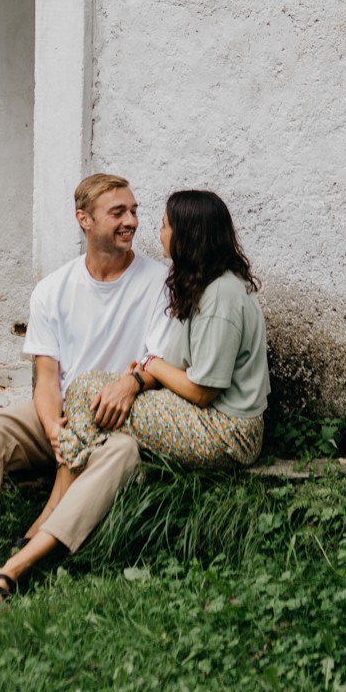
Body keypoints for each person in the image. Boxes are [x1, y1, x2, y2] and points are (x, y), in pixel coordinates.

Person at [0, 172, 167, 610]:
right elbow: (47, 378)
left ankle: (24, 563)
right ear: (84, 220)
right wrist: (55, 430)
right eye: (118, 213)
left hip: (120, 423)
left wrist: (128, 387)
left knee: (125, 454)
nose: (131, 221)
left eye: (134, 211)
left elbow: (156, 367)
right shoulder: (53, 290)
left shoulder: (158, 284)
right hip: (65, 412)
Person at [57, 188, 269, 477]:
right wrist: (141, 376)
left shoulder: (222, 295)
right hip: (205, 417)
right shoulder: (207, 284)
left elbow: (202, 391)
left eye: (165, 225)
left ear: (188, 235)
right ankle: (82, 485)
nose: (159, 232)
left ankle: (65, 499)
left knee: (86, 395)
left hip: (228, 433)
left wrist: (150, 364)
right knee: (91, 386)